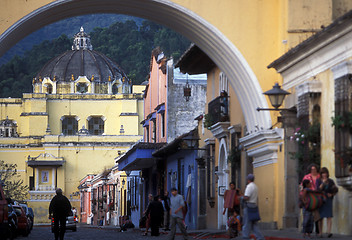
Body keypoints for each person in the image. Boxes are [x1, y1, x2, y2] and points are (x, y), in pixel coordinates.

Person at [241, 174, 265, 240]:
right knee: (254, 224)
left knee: (246, 223)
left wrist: (241, 197)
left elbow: (247, 197)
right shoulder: (255, 186)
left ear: (248, 180)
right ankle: (260, 237)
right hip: (254, 205)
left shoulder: (249, 187)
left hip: (248, 206)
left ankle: (245, 237)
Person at [318, 167, 338, 238]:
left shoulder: (330, 181)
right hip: (321, 200)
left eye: (325, 173)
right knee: (321, 217)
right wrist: (323, 183)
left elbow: (335, 189)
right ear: (321, 174)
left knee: (329, 216)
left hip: (328, 200)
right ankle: (320, 233)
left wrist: (332, 194)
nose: (324, 175)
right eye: (323, 173)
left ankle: (329, 232)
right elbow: (318, 189)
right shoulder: (318, 180)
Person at [301, 163, 321, 235]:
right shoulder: (306, 177)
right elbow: (302, 188)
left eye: (314, 169)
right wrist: (303, 199)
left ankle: (317, 231)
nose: (313, 170)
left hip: (317, 198)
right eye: (312, 169)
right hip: (309, 200)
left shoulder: (319, 176)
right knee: (308, 217)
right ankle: (306, 231)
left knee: (317, 216)